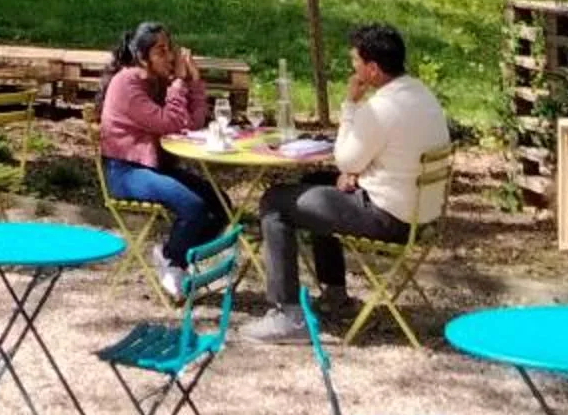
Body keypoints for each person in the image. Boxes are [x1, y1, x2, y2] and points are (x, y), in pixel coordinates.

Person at [246, 22, 449, 342]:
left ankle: (287, 315)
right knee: (314, 182)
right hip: (420, 212)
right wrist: (355, 172)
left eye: (355, 61)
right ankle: (335, 292)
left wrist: (351, 105)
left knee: (275, 201)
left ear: (372, 69)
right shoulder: (422, 95)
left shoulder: (380, 108)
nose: (352, 68)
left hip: (390, 218)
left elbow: (345, 159)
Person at [96, 20, 226, 297]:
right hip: (126, 171)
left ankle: (172, 256)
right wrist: (179, 82)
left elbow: (190, 123)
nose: (169, 57)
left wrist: (194, 82)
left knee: (221, 204)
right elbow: (169, 123)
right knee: (193, 207)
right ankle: (173, 261)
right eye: (161, 51)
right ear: (143, 58)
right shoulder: (127, 83)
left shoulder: (156, 81)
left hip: (156, 166)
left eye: (171, 49)